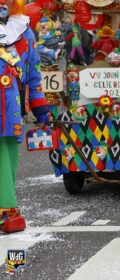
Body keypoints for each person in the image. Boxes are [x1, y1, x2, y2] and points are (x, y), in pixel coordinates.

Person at [0, 0, 50, 233]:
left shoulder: (24, 32)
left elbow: (32, 74)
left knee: (7, 158)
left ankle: (6, 210)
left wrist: (40, 107)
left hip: (10, 109)